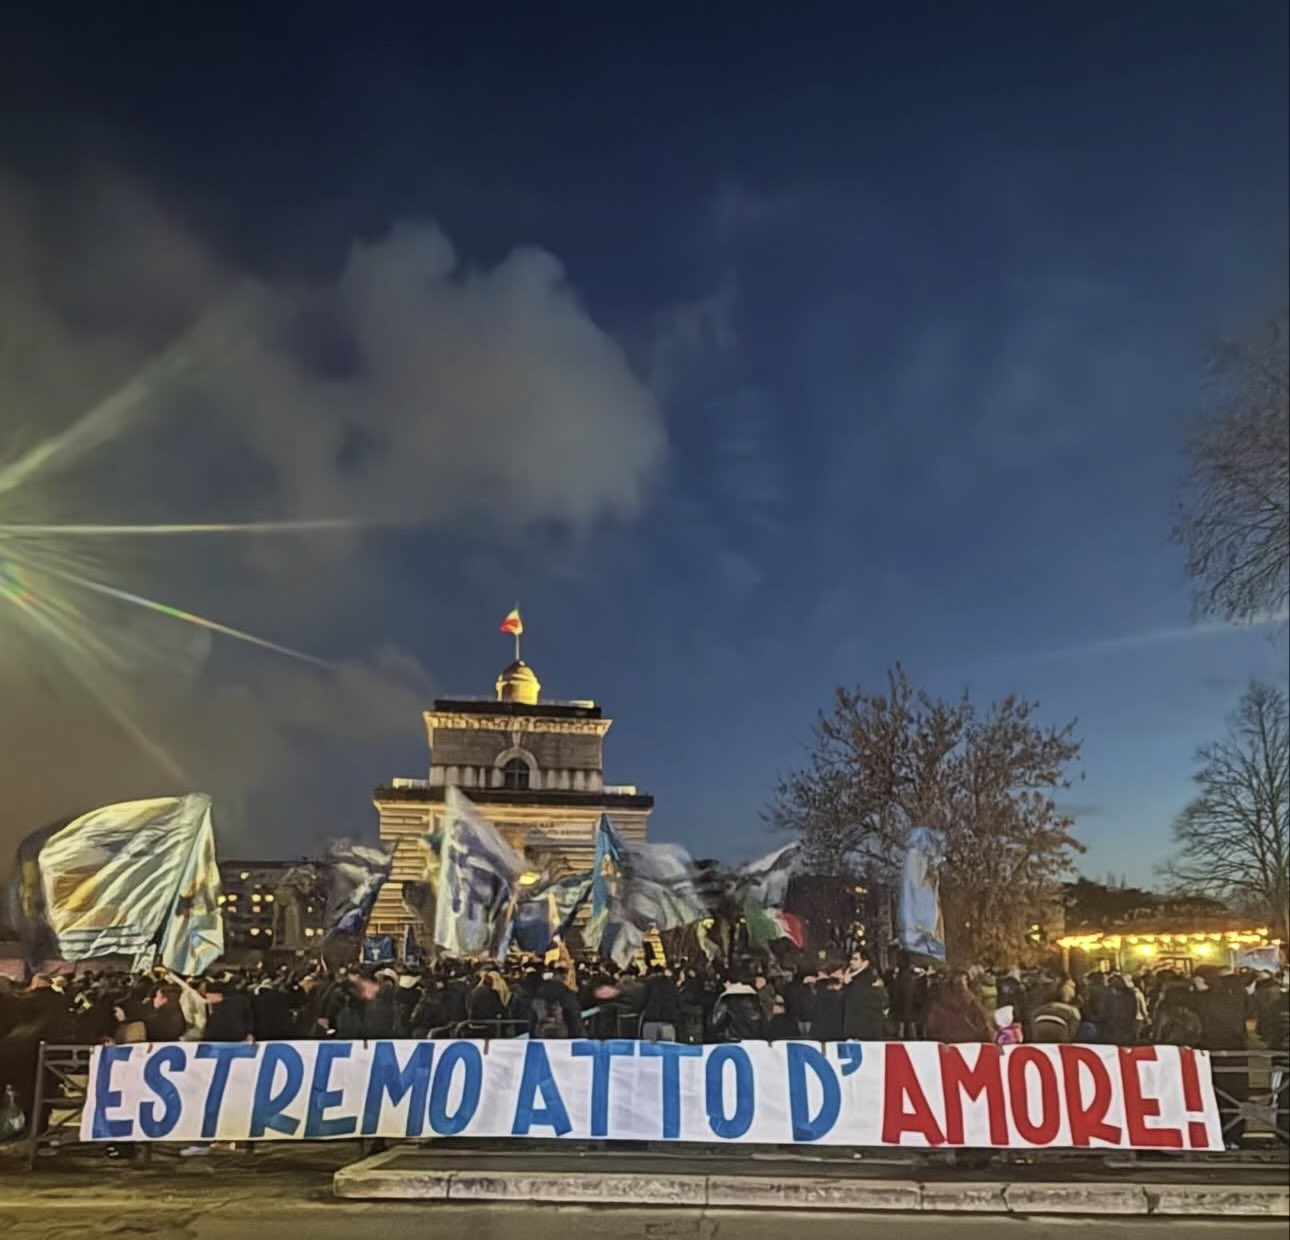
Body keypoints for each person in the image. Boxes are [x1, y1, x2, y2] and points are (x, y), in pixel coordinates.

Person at [925, 972, 992, 1043]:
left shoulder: (937, 1005)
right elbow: (985, 1027)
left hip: (948, 1046)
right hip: (971, 1044)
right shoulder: (972, 1003)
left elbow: (932, 1030)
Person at [842, 951, 888, 1041]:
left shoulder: (868, 978)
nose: (851, 962)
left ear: (865, 963)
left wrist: (849, 978)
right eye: (851, 959)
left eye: (856, 959)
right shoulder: (853, 977)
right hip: (855, 1027)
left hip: (866, 1028)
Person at [529, 966, 584, 1038]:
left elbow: (532, 1020)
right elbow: (575, 1019)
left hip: (541, 1035)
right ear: (565, 977)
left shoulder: (538, 994)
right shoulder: (567, 995)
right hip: (563, 1036)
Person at [709, 975, 765, 1042]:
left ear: (727, 983)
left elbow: (716, 1021)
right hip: (755, 1038)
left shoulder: (726, 998)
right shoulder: (753, 996)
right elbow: (762, 1016)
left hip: (733, 1039)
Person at [1030, 978, 1082, 1044]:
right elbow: (1074, 1026)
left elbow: (1033, 1015)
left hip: (1039, 1029)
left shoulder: (1043, 1005)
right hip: (1060, 1031)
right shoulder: (1072, 1010)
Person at [639, 965, 682, 1042]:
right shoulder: (671, 983)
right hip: (668, 1021)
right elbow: (678, 1001)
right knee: (667, 1048)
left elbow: (642, 1001)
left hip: (650, 1021)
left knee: (650, 1049)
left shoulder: (648, 983)